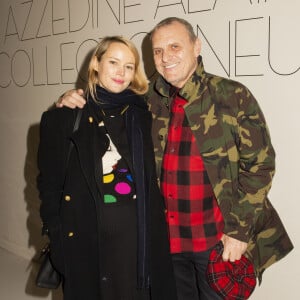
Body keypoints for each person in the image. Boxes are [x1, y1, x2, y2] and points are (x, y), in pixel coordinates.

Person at [56, 17, 293, 300]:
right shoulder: (143, 103)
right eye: (157, 51)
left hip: (217, 241)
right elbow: (105, 102)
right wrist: (71, 100)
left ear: (196, 46)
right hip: (166, 244)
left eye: (175, 46)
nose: (166, 57)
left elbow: (260, 165)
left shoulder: (232, 96)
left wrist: (239, 232)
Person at [37, 35, 178, 300]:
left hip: (137, 245)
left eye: (128, 66)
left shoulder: (142, 113)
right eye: (113, 62)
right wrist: (58, 239)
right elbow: (49, 186)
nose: (121, 72)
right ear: (95, 64)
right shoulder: (63, 118)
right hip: (88, 243)